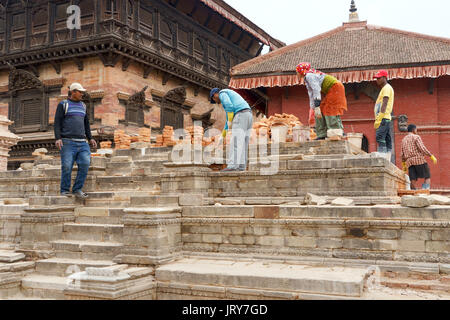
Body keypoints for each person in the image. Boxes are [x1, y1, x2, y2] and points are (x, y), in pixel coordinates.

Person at [54, 83, 97, 198]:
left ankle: (77, 189)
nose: (82, 94)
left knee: (85, 164)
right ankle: (64, 190)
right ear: (73, 92)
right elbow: (57, 122)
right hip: (67, 142)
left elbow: (86, 123)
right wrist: (58, 138)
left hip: (83, 142)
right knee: (67, 166)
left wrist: (90, 138)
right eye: (80, 92)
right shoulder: (63, 104)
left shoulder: (83, 106)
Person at [296, 63, 347, 140]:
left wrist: (317, 101)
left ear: (301, 71)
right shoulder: (307, 78)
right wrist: (313, 108)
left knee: (330, 109)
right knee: (321, 110)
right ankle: (322, 134)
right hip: (331, 90)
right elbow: (311, 94)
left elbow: (316, 89)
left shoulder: (309, 76)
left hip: (335, 87)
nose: (296, 74)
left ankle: (336, 132)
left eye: (297, 72)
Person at [210, 88, 253, 172]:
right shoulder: (232, 99)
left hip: (240, 114)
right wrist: (222, 136)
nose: (216, 102)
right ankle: (241, 167)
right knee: (243, 143)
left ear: (215, 94)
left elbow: (229, 106)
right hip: (248, 115)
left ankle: (232, 166)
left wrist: (230, 120)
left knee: (236, 142)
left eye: (214, 99)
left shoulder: (222, 93)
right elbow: (228, 121)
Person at [401, 124, 437, 190]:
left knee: (413, 179)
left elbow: (402, 153)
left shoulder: (404, 139)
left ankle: (413, 194)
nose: (416, 131)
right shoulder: (416, 137)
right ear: (413, 130)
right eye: (416, 129)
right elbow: (422, 148)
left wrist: (404, 164)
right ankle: (425, 192)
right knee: (427, 176)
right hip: (419, 160)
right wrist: (431, 155)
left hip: (409, 162)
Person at [373, 70, 394, 160]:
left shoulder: (386, 88)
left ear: (385, 78)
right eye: (376, 78)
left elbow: (384, 103)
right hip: (385, 118)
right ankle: (388, 156)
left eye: (379, 78)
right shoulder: (385, 88)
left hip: (383, 118)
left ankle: (382, 156)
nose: (377, 80)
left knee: (380, 136)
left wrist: (379, 118)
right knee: (386, 138)